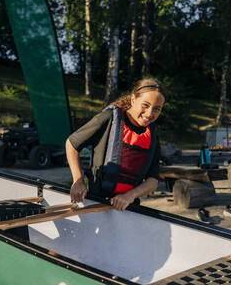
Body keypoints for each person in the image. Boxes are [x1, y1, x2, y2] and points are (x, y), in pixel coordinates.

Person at [66, 78, 165, 211]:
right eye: (145, 105)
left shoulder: (152, 135)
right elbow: (72, 144)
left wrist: (130, 196)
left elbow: (153, 180)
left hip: (126, 206)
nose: (149, 113)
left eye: (157, 109)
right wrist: (78, 180)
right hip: (93, 200)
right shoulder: (109, 118)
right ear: (133, 100)